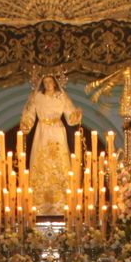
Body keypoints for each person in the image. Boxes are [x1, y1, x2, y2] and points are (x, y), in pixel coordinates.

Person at [18, 75, 80, 214]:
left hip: (58, 131)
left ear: (55, 83)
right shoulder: (37, 97)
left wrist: (75, 115)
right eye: (45, 82)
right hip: (42, 132)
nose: (48, 84)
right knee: (41, 163)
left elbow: (70, 115)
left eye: (50, 81)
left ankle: (62, 203)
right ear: (42, 83)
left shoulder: (61, 97)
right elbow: (29, 115)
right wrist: (26, 123)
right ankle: (39, 205)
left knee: (60, 163)